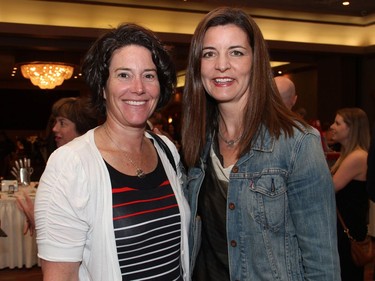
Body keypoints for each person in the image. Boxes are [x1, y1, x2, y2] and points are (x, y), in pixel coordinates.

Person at [181, 7, 340, 280]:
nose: (222, 64)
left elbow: (322, 262)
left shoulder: (297, 144)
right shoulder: (197, 144)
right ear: (198, 65)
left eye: (236, 52)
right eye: (209, 53)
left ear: (256, 61)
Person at [34, 23, 190, 281]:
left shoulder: (167, 150)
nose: (138, 88)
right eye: (124, 75)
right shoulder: (70, 165)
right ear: (103, 87)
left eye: (149, 75)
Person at [16, 96, 100, 236]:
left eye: (62, 123)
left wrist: (41, 223)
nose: (54, 128)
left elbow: (82, 225)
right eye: (55, 122)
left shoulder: (70, 161)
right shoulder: (77, 159)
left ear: (81, 127)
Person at [330, 107, 370, 281]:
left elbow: (330, 188)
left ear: (351, 128)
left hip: (348, 228)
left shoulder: (357, 157)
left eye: (338, 123)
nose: (332, 126)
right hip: (346, 226)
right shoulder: (347, 155)